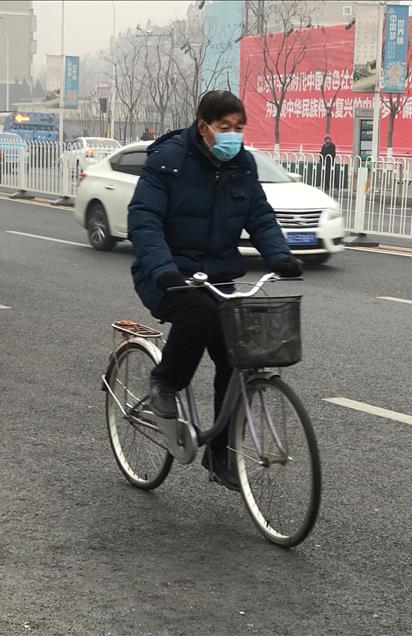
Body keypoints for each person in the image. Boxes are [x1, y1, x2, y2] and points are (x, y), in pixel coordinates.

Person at [127, 90, 301, 489]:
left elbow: (259, 215)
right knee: (202, 315)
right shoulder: (168, 161)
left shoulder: (242, 165)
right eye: (225, 128)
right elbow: (145, 220)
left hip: (219, 274)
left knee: (235, 360)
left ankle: (220, 455)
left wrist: (279, 255)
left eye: (239, 129)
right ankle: (165, 382)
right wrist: (164, 269)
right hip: (167, 272)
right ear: (204, 127)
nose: (234, 136)